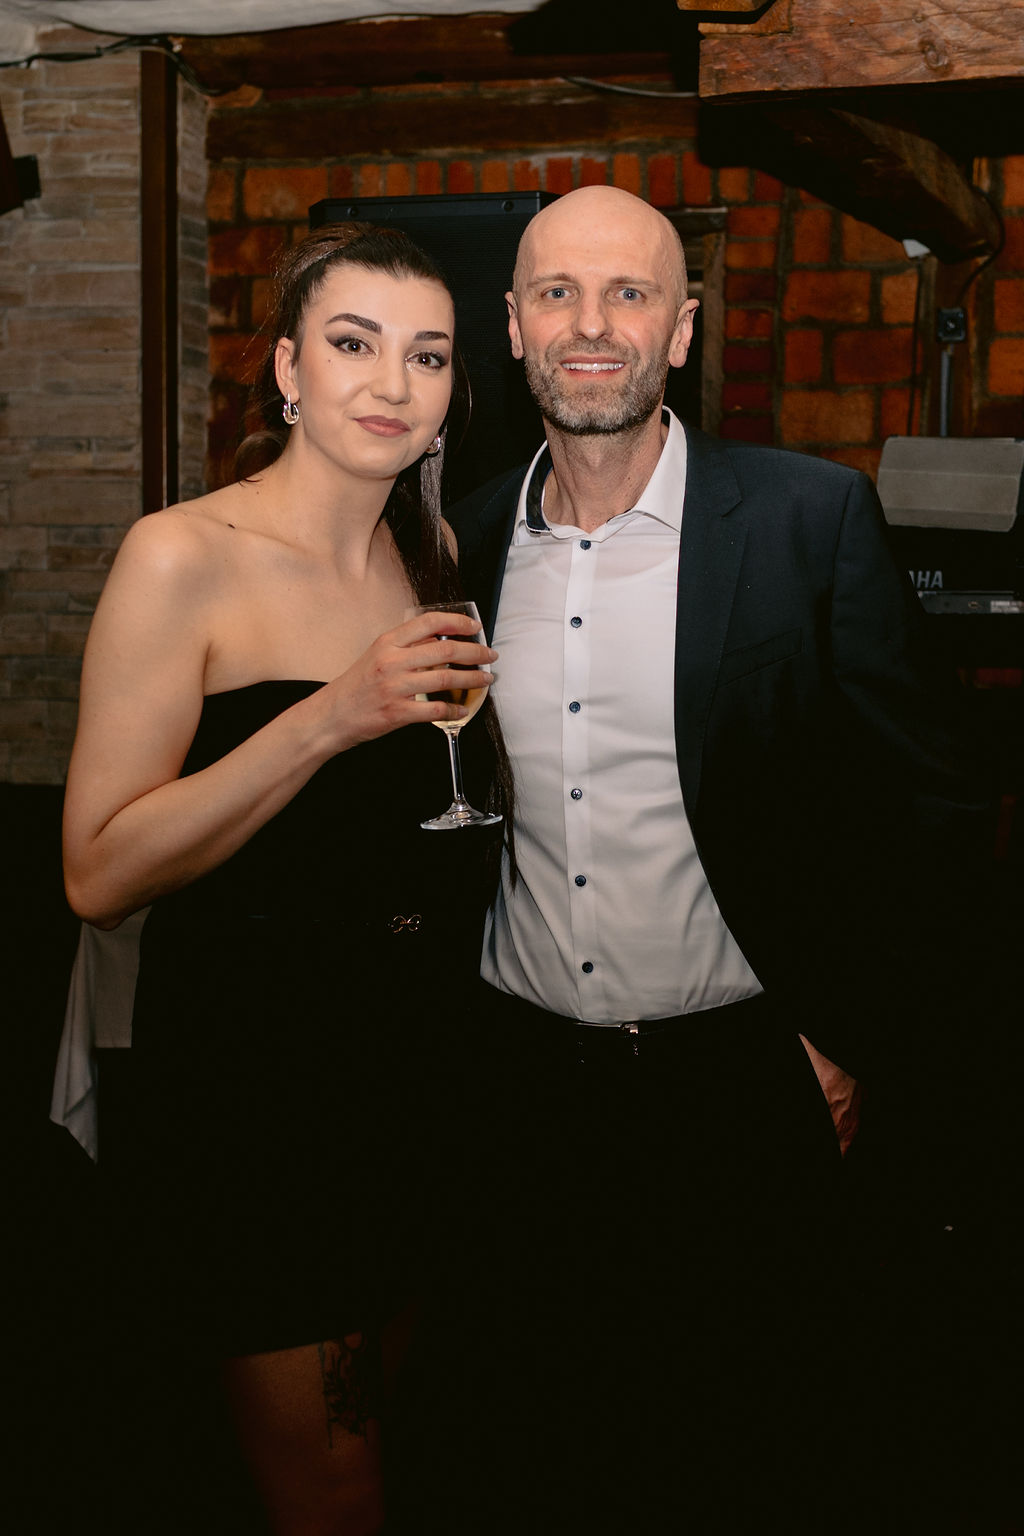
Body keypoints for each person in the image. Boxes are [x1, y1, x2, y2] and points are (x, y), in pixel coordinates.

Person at [443, 185, 994, 1533]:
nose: (591, 325)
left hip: (739, 1085)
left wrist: (846, 1032)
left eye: (629, 293)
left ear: (682, 331)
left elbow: (929, 804)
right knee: (540, 1445)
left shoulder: (810, 518)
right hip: (519, 1090)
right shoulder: (457, 538)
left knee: (754, 1450)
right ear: (512, 326)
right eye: (558, 293)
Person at [61, 222, 507, 1536]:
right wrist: (329, 715)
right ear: (288, 369)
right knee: (333, 1492)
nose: (393, 382)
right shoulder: (181, 555)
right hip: (260, 1097)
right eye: (354, 343)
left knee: (388, 1440)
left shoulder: (433, 558)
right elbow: (96, 872)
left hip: (415, 1079)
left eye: (428, 355)